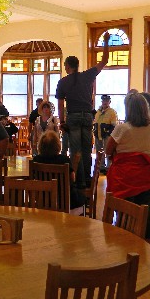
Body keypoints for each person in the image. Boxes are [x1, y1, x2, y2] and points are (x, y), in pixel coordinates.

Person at [56, 31, 110, 188]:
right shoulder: (87, 76)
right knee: (87, 150)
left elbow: (60, 105)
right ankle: (87, 180)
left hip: (72, 117)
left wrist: (62, 121)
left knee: (75, 150)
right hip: (87, 116)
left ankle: (77, 181)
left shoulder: (63, 82)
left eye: (65, 65)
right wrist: (106, 41)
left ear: (67, 66)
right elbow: (104, 60)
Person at [105, 92, 150, 246]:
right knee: (148, 211)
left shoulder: (122, 128)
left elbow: (109, 149)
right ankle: (149, 246)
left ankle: (125, 244)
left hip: (125, 175)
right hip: (146, 173)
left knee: (124, 211)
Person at [33, 130, 86, 209]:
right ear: (57, 145)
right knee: (82, 198)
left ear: (40, 145)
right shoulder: (64, 160)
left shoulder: (36, 160)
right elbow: (72, 178)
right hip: (64, 199)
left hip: (43, 199)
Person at [93, 94, 117, 173]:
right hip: (98, 134)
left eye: (106, 101)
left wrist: (108, 133)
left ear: (109, 102)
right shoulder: (98, 111)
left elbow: (114, 125)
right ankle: (101, 166)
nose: (105, 102)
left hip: (107, 135)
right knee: (99, 151)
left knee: (108, 151)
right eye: (103, 101)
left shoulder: (112, 112)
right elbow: (95, 122)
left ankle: (109, 167)